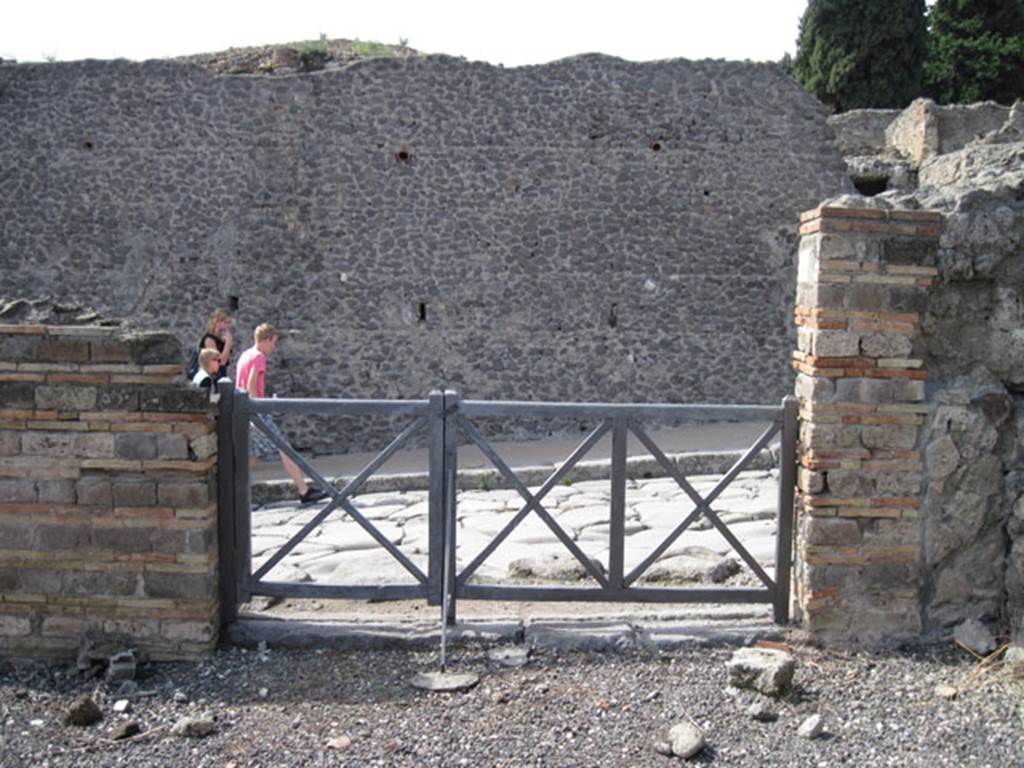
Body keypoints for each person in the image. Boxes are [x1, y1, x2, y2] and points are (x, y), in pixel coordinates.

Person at [235, 323, 326, 506]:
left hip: (244, 411)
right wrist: (258, 412)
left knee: (252, 456)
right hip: (256, 411)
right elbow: (252, 383)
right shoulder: (259, 357)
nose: (273, 347)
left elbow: (241, 384)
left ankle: (234, 492)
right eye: (273, 342)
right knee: (284, 449)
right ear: (266, 339)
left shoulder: (245, 355)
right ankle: (304, 491)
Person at [187, 309, 233, 380]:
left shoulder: (222, 340)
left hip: (221, 374)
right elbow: (220, 362)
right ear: (217, 322)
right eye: (225, 322)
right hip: (211, 377)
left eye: (228, 323)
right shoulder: (209, 339)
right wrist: (228, 343)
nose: (227, 325)